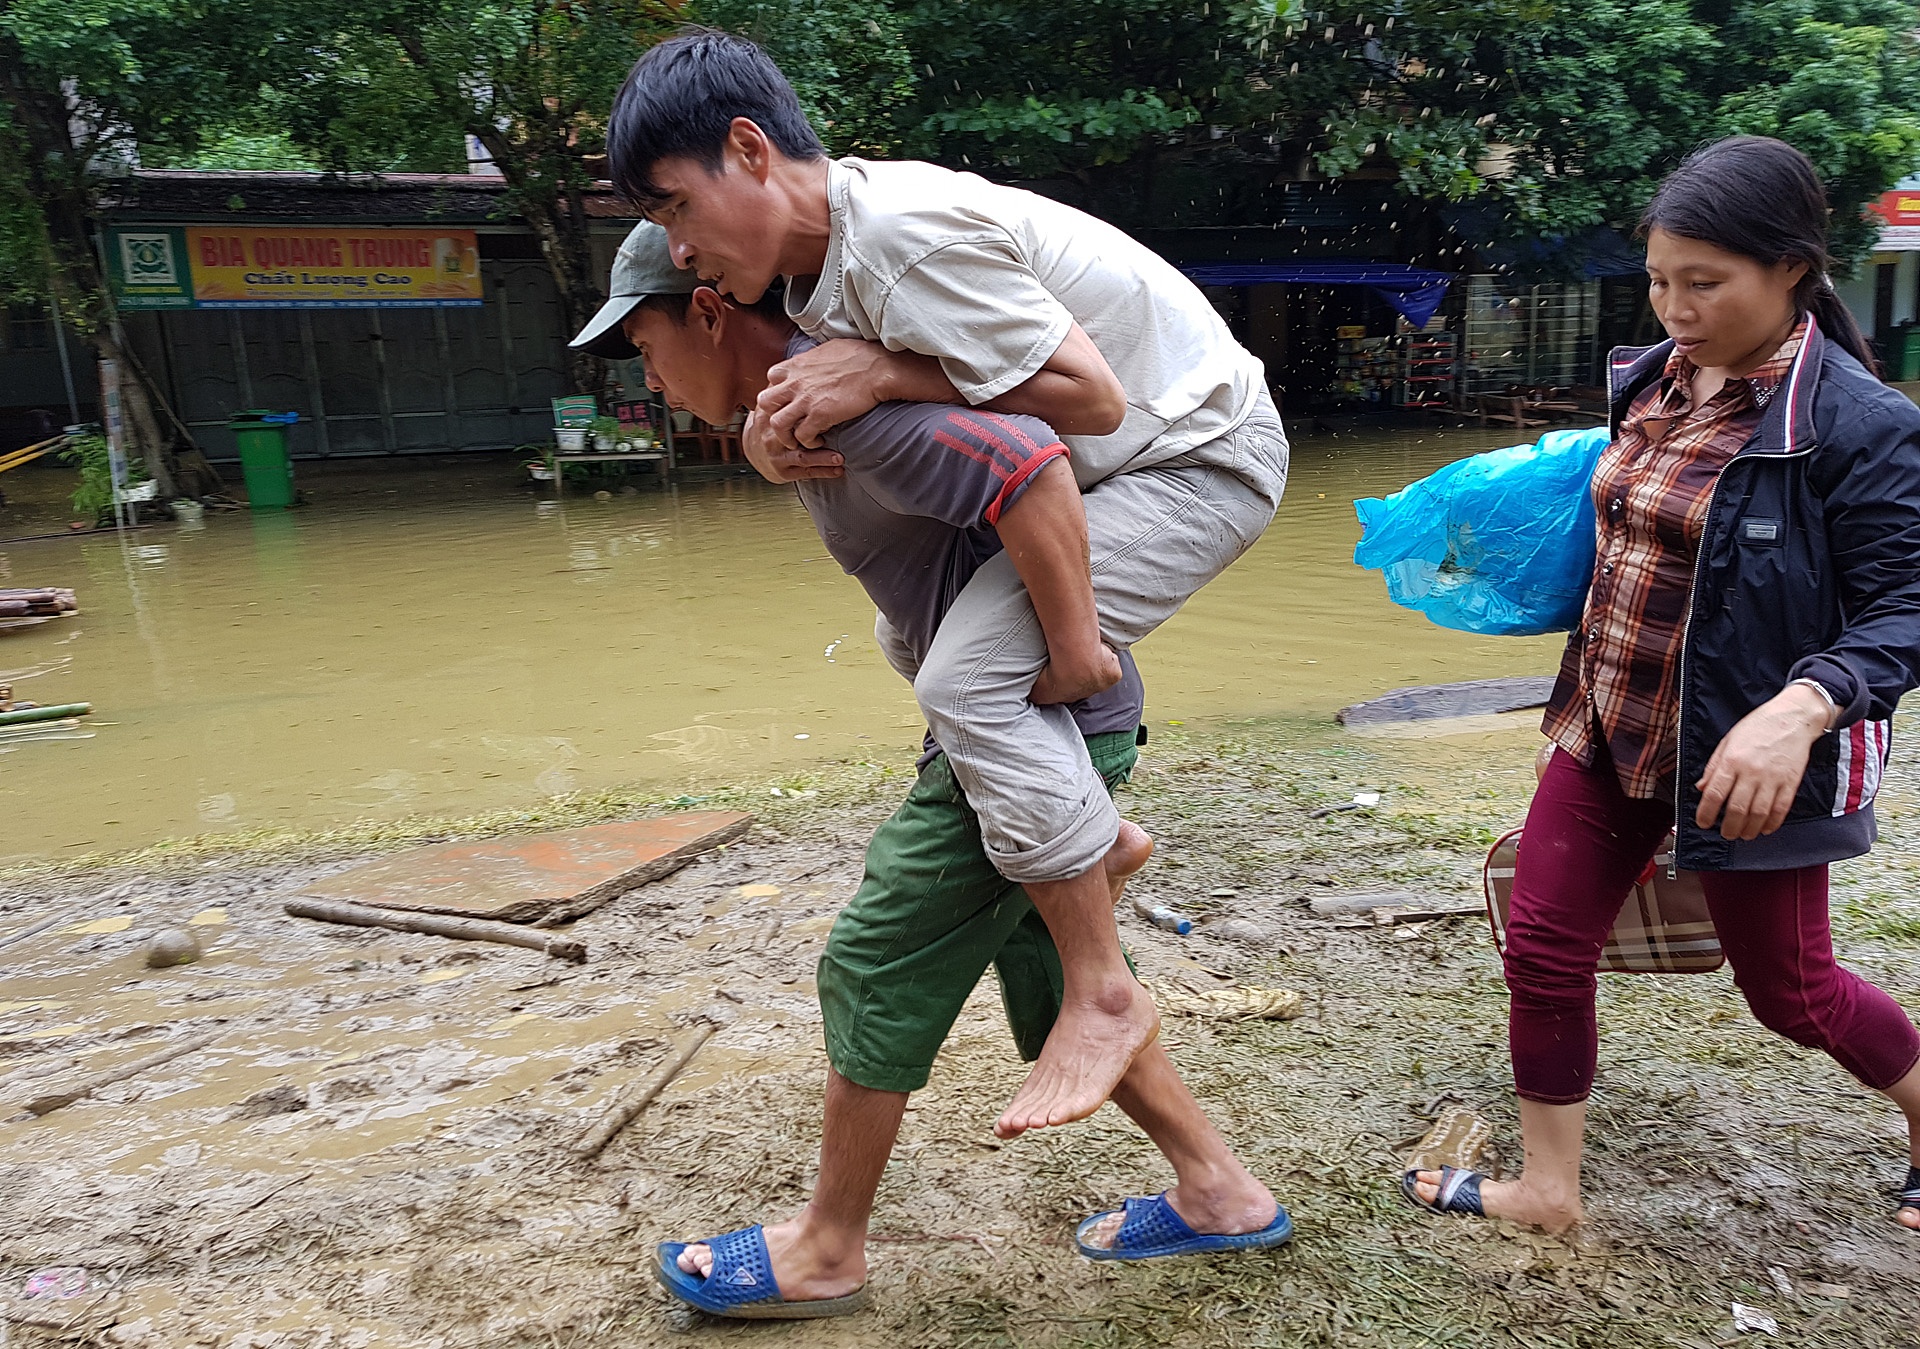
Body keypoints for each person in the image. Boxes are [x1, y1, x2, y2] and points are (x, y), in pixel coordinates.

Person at [571, 223, 1294, 1319]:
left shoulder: (860, 407)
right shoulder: (805, 409)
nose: (651, 383)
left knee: (876, 957)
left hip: (1033, 721)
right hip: (1039, 727)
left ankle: (826, 1247)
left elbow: (1028, 463)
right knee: (1046, 969)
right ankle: (1221, 1188)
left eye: (646, 349)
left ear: (710, 312)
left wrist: (1076, 652)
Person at [604, 30, 1291, 1139]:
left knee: (966, 679)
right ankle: (1097, 841)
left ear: (750, 149)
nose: (678, 248)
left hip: (1197, 453)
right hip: (1118, 463)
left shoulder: (899, 239)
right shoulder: (813, 277)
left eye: (677, 207)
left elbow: (1093, 399)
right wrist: (776, 439)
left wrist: (887, 372)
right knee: (914, 642)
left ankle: (1104, 992)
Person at [1403, 137, 1920, 1234]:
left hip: (1748, 757)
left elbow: (1905, 608)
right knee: (1544, 947)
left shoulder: (1861, 427)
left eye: (1705, 283)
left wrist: (1803, 708)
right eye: (1658, 280)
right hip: (1609, 721)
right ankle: (1549, 1190)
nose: (1676, 309)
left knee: (1791, 992)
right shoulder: (1651, 378)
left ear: (1792, 268)